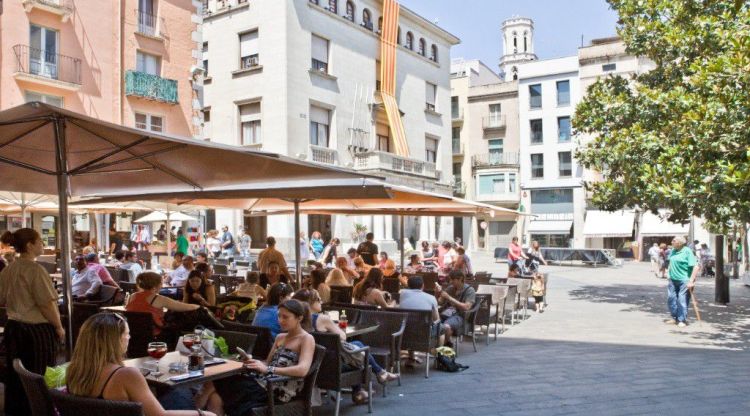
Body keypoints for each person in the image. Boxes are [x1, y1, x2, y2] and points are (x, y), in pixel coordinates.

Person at [66, 313, 216, 416]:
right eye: (127, 333)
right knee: (182, 392)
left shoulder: (74, 371)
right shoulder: (125, 375)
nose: (129, 337)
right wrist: (204, 414)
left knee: (176, 393)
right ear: (116, 340)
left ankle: (207, 392)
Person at [210, 299, 316, 415]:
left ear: (299, 318)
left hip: (278, 391)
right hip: (264, 383)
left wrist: (268, 369)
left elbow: (302, 370)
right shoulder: (280, 337)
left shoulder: (306, 338)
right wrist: (254, 362)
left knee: (221, 385)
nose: (280, 320)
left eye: (285, 317)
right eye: (279, 316)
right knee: (218, 385)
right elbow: (267, 362)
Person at [0, 228, 65, 416]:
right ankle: (38, 410)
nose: (42, 245)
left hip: (14, 327)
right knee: (39, 374)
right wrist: (59, 327)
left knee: (17, 376)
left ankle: (17, 410)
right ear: (30, 245)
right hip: (35, 331)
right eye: (40, 242)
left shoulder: (9, 269)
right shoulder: (35, 269)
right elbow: (46, 304)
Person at [292, 289, 398, 403]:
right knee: (360, 357)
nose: (321, 301)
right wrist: (334, 326)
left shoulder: (294, 320)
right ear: (310, 303)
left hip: (312, 365)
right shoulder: (322, 319)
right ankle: (370, 381)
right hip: (333, 366)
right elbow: (342, 337)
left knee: (357, 346)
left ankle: (370, 382)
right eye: (318, 299)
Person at [127, 272, 200, 336]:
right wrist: (199, 306)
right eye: (161, 283)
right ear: (156, 284)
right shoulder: (157, 298)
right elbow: (184, 307)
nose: (162, 285)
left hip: (133, 333)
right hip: (156, 333)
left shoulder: (132, 296)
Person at [399, 275, 443, 361]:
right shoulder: (431, 298)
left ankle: (411, 357)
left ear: (408, 285)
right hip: (424, 335)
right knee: (442, 328)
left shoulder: (402, 294)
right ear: (423, 285)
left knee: (411, 322)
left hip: (405, 333)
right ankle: (439, 357)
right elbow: (436, 319)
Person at [665, 236, 700, 327]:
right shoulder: (673, 251)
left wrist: (691, 281)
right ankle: (674, 317)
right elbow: (670, 262)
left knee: (682, 299)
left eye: (674, 241)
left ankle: (681, 319)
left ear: (680, 243)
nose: (672, 242)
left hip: (684, 280)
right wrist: (668, 272)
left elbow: (696, 267)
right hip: (673, 279)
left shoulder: (687, 251)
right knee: (671, 299)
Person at [436, 270, 476, 348]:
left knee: (446, 327)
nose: (451, 282)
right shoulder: (451, 288)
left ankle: (441, 347)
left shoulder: (469, 290)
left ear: (460, 279)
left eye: (453, 279)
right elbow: (439, 302)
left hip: (460, 315)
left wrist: (449, 298)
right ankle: (445, 344)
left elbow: (466, 307)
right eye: (450, 279)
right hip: (446, 313)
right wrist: (437, 293)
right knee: (431, 322)